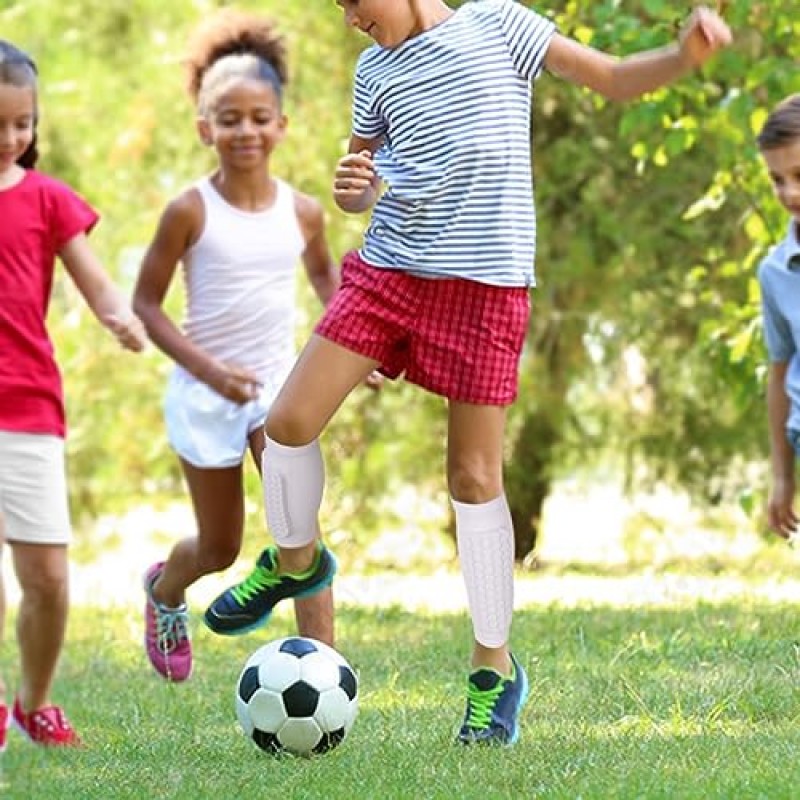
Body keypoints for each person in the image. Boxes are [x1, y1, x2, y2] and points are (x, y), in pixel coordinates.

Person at [208, 0, 731, 745]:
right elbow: (358, 179)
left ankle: (494, 671)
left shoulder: (501, 27)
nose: (350, 16)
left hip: (485, 289)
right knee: (287, 425)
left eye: (354, 0)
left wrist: (684, 58)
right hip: (391, 272)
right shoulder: (375, 69)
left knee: (475, 479)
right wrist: (353, 189)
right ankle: (296, 561)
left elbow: (612, 78)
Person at [132, 10, 345, 683]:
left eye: (259, 117)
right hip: (204, 393)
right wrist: (210, 370)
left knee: (297, 531)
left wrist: (353, 347)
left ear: (282, 125)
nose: (245, 131)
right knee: (221, 547)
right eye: (229, 118)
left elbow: (325, 280)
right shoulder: (189, 211)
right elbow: (146, 305)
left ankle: (326, 668)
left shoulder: (304, 212)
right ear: (205, 128)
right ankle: (166, 590)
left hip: (278, 392)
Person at [0, 40, 147, 748]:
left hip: (29, 403)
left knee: (49, 580)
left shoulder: (47, 198)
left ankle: (37, 700)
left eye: (21, 124)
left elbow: (92, 279)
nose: (9, 138)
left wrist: (119, 316)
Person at [756, 95, 800, 545]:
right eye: (777, 180)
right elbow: (780, 371)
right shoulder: (775, 271)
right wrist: (783, 477)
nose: (790, 193)